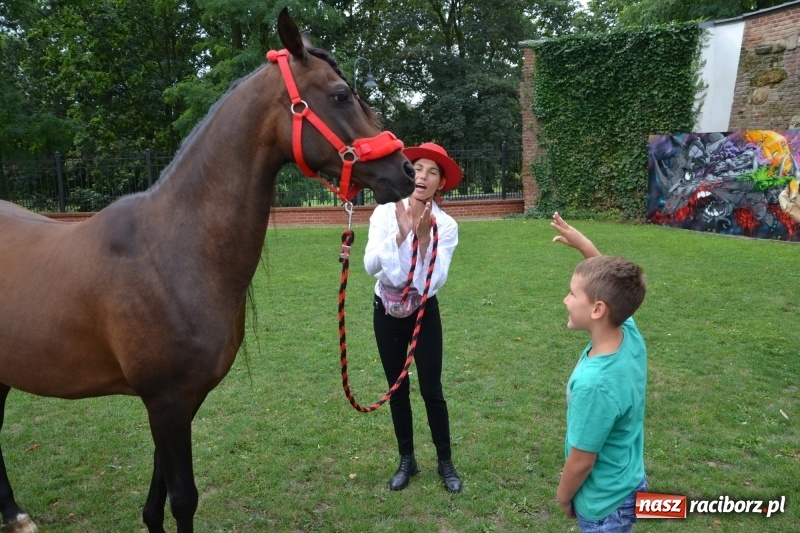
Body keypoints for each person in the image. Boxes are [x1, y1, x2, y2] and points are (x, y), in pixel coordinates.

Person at [363, 142, 463, 493]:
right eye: (418, 168)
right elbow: (370, 266)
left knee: (432, 390)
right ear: (409, 172)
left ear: (440, 183)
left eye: (432, 172)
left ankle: (445, 461)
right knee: (397, 388)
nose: (423, 176)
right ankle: (407, 459)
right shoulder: (384, 213)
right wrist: (401, 234)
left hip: (424, 311)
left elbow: (432, 283)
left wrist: (423, 242)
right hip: (386, 310)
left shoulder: (446, 226)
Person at [550, 212, 648, 532]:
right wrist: (584, 245)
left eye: (572, 293)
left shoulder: (595, 385)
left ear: (597, 309)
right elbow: (613, 288)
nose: (565, 299)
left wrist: (564, 497)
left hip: (604, 504)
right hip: (628, 479)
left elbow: (581, 461)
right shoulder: (628, 334)